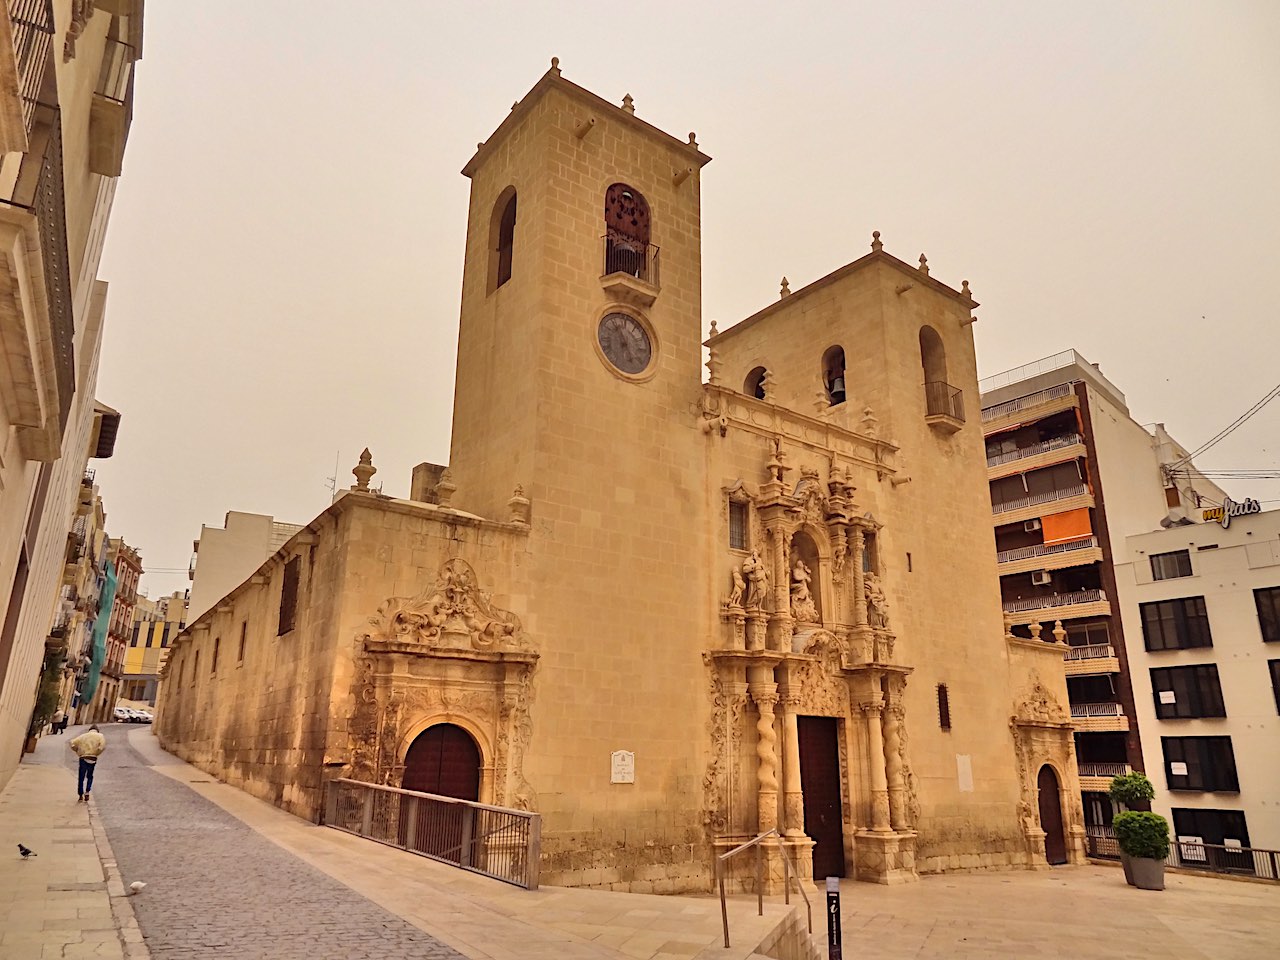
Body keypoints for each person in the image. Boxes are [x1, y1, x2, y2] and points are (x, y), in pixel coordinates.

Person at [68, 725, 106, 802]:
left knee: (81, 777)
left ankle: (80, 794)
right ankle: (87, 791)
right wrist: (96, 753)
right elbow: (101, 747)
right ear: (97, 730)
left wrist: (77, 751)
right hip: (92, 758)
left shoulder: (83, 736)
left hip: (83, 757)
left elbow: (72, 743)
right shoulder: (100, 736)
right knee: (90, 776)